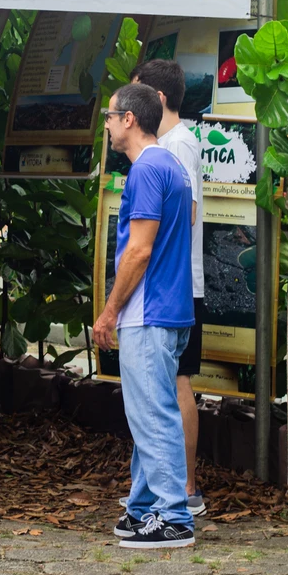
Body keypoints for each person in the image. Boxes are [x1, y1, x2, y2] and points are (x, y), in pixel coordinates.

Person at [94, 83, 196, 549]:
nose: (109, 125)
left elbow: (139, 249)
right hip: (168, 309)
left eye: (111, 117)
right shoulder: (170, 165)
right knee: (148, 412)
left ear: (129, 120)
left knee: (153, 414)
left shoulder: (147, 170)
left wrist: (109, 311)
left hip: (148, 311)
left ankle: (172, 515)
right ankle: (143, 507)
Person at [130, 59, 206, 516]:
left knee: (175, 385)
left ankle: (183, 490)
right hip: (165, 285)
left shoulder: (179, 145)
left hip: (176, 286)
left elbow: (187, 213)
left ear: (157, 100)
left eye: (136, 97)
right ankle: (158, 493)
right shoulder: (170, 144)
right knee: (164, 385)